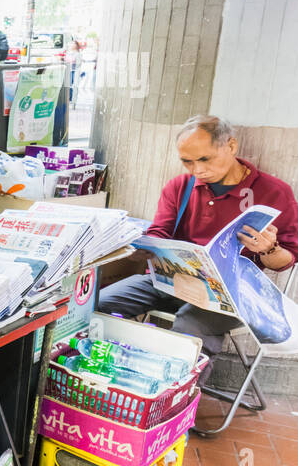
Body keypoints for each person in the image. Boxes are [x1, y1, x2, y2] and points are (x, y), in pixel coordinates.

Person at [98, 115, 298, 366]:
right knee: (98, 304)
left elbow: (286, 261)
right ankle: (105, 374)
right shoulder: (180, 186)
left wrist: (269, 248)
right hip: (171, 281)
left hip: (230, 297)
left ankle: (174, 398)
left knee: (188, 329)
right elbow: (160, 232)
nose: (197, 170)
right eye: (187, 162)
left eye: (205, 159)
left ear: (231, 147)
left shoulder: (273, 191)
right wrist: (138, 246)